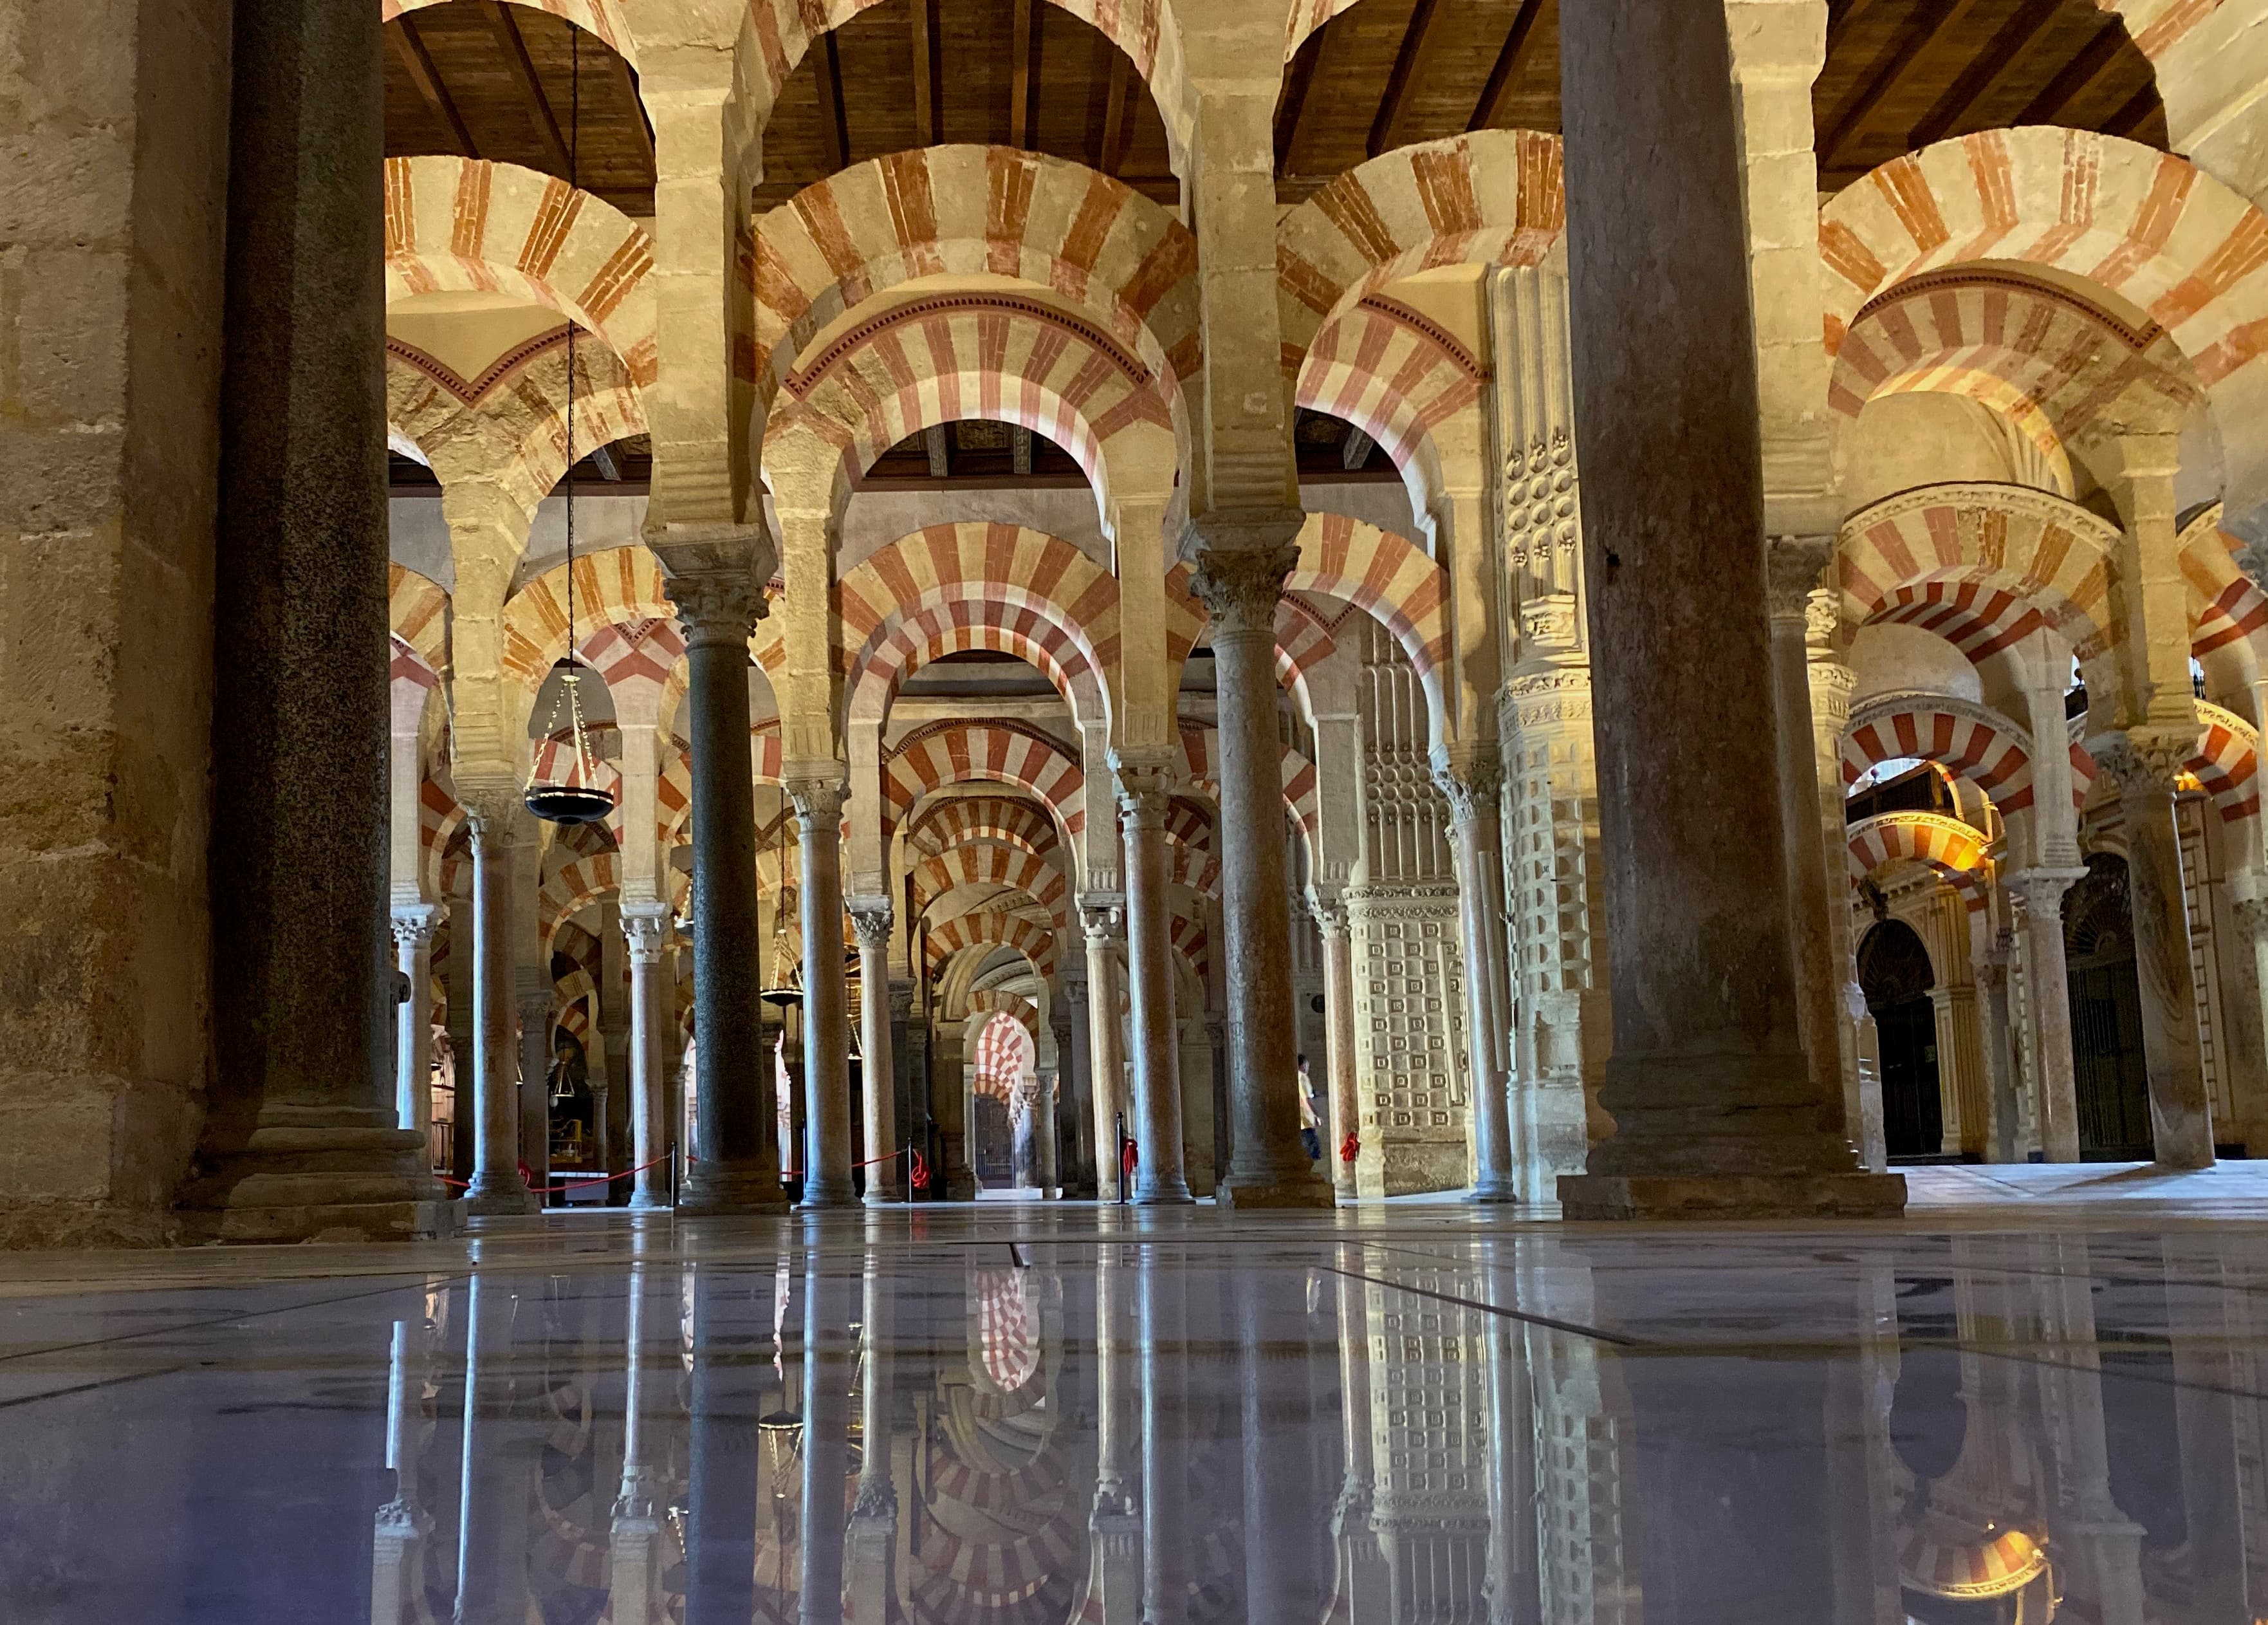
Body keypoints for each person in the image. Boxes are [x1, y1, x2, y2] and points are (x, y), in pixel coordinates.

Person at [1296, 1054, 1322, 1161]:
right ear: (1303, 1065)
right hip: (1306, 1121)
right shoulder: (1302, 1077)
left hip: (1299, 1121)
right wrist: (1316, 1115)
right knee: (1312, 1152)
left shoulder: (1294, 1076)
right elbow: (1307, 1099)